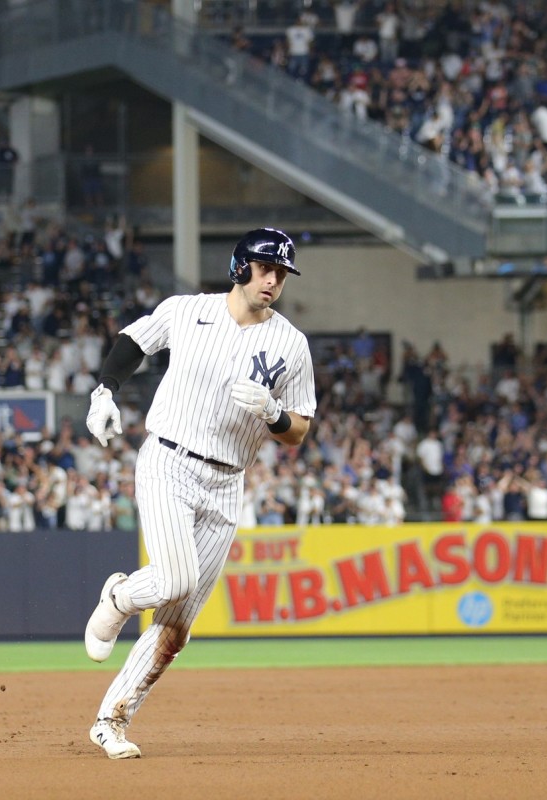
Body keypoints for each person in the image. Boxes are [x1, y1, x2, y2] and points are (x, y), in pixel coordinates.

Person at [82, 227, 316, 759]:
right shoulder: (187, 310)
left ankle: (110, 720)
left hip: (228, 481)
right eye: (264, 268)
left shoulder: (291, 344)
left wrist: (274, 414)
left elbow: (299, 431)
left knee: (176, 629)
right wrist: (105, 392)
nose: (273, 280)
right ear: (240, 267)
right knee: (174, 577)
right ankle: (118, 596)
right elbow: (131, 342)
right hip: (169, 458)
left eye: (280, 272)